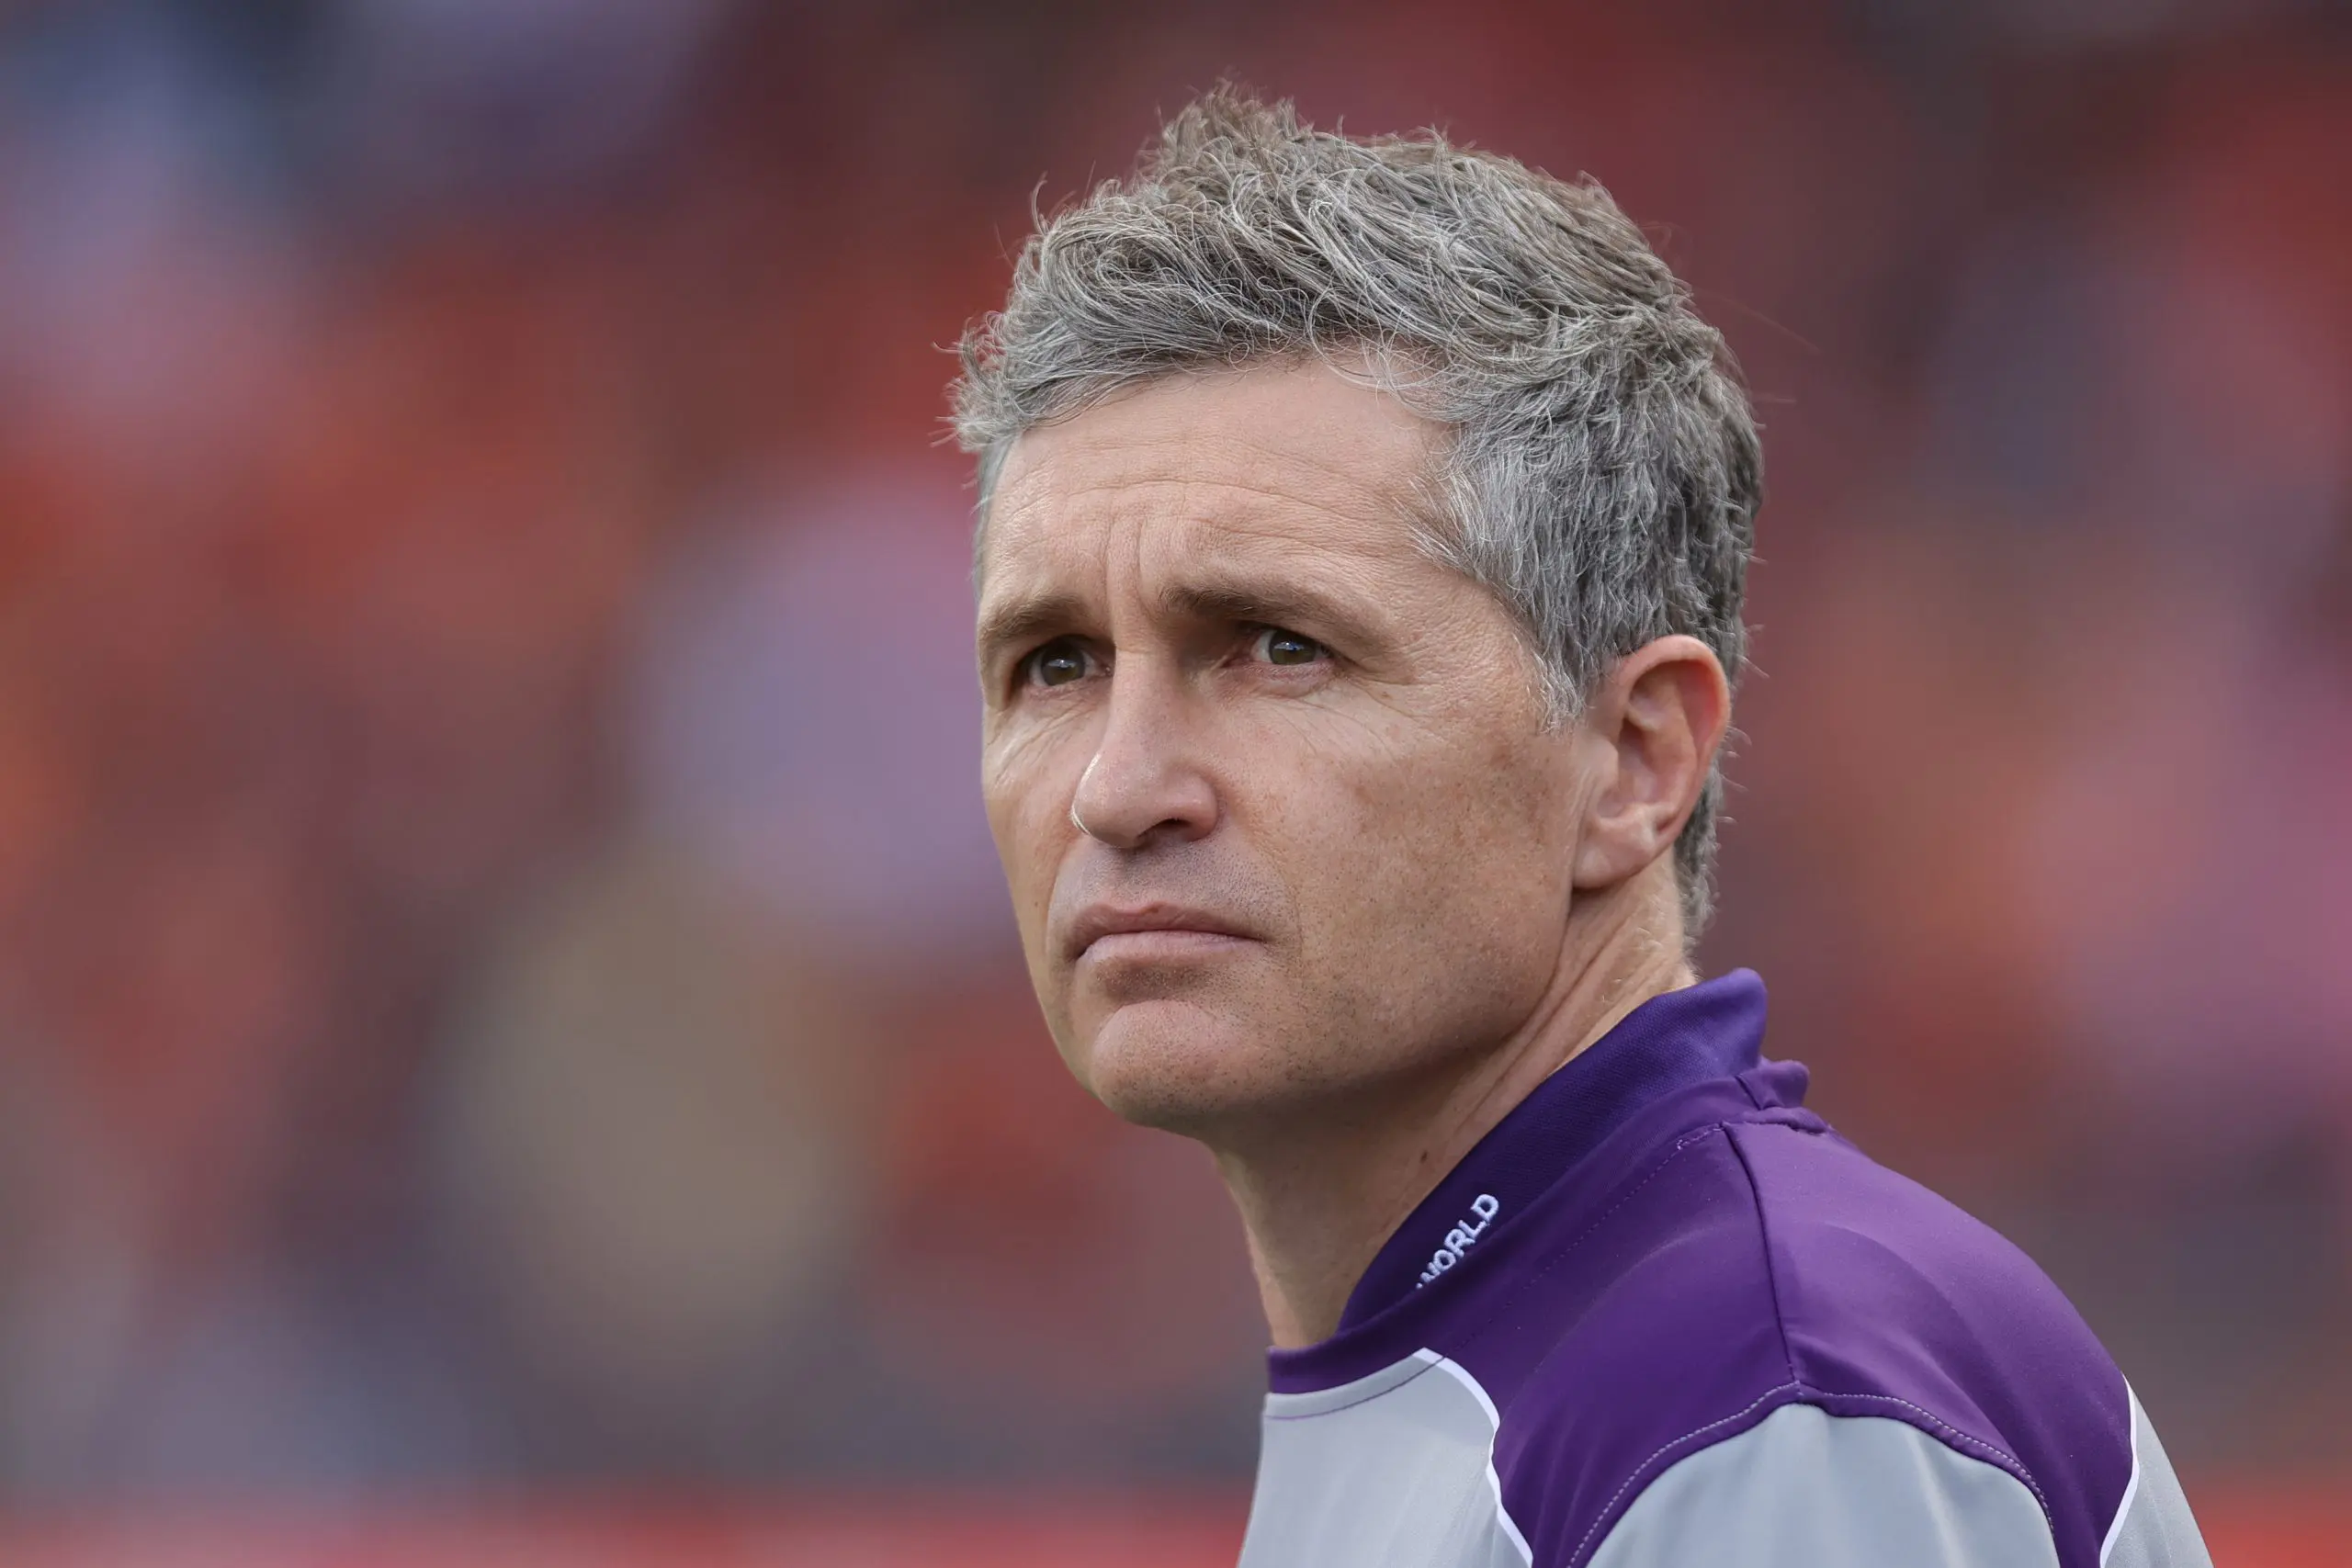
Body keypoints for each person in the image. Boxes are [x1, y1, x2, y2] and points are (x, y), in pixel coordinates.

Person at [953, 89, 2211, 1568]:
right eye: (1055, 661)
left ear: (1632, 758)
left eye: (1278, 645)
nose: (1117, 784)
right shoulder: (1530, 1366)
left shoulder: (1756, 1396)